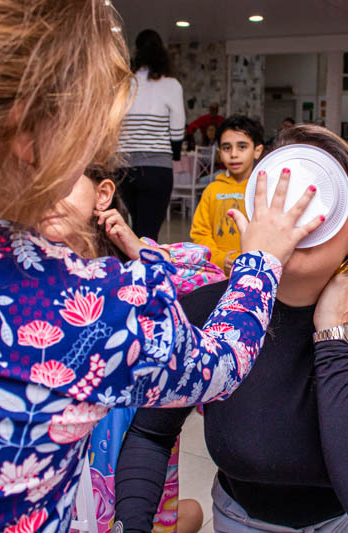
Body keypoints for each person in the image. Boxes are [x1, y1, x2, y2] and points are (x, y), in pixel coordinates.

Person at [0, 1, 325, 530]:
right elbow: (219, 365)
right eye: (98, 117)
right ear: (30, 132)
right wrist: (260, 261)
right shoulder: (86, 306)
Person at [114, 124, 348, 533]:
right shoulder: (205, 310)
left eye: (317, 196)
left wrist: (333, 336)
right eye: (278, 198)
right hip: (247, 516)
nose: (294, 217)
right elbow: (150, 435)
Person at [38, 171, 218, 533]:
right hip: (67, 439)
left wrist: (141, 251)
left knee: (142, 514)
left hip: (136, 435)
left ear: (102, 194)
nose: (45, 191)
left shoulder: (136, 265)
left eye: (63, 176)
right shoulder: (30, 268)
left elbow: (212, 287)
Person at [116, 29, 185, 240]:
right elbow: (177, 128)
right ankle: (144, 271)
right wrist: (175, 153)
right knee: (147, 235)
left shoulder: (123, 85)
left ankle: (132, 270)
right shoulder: (171, 85)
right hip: (156, 168)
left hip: (123, 167)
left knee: (135, 229)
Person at [190, 116, 265, 274]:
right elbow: (200, 233)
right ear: (219, 152)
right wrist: (219, 259)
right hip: (217, 272)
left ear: (257, 151)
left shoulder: (263, 190)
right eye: (226, 148)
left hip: (255, 271)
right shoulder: (212, 190)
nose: (233, 154)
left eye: (242, 147)